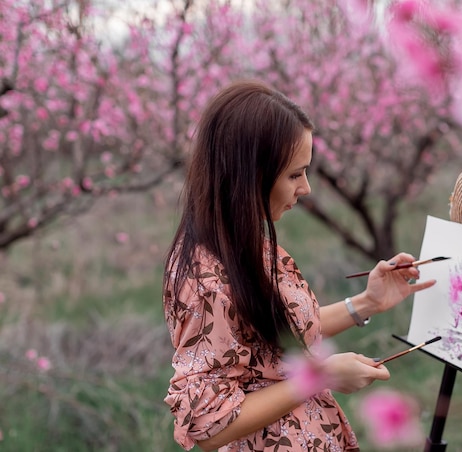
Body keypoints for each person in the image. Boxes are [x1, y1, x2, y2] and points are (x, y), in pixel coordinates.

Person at [162, 80, 437, 451]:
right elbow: (209, 425)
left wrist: (368, 303)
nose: (306, 188)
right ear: (249, 174)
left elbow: (272, 337)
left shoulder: (245, 243)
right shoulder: (204, 280)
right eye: (295, 174)